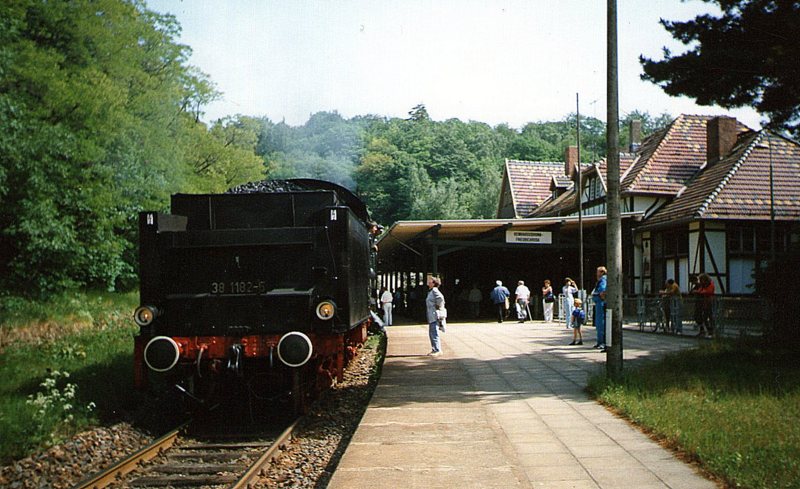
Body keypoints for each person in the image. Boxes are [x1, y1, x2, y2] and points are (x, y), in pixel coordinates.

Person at [425, 276, 445, 355]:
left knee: (434, 331)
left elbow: (440, 298)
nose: (428, 284)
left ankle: (437, 349)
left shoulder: (434, 290)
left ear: (434, 283)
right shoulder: (431, 291)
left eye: (430, 282)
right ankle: (434, 348)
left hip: (434, 314)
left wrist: (438, 307)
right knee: (432, 331)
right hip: (431, 313)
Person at [694, 273, 715, 338]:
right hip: (703, 303)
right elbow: (700, 290)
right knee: (703, 318)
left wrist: (699, 292)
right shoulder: (703, 285)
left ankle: (711, 332)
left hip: (709, 302)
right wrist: (697, 291)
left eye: (701, 279)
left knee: (709, 317)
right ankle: (705, 331)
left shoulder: (710, 284)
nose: (701, 281)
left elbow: (708, 291)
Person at [592, 266, 608, 352]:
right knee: (599, 323)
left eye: (598, 272)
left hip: (600, 303)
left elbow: (602, 290)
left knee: (600, 323)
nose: (596, 273)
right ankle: (600, 342)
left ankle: (601, 342)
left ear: (602, 272)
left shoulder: (603, 280)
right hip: (598, 302)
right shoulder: (602, 279)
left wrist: (601, 297)